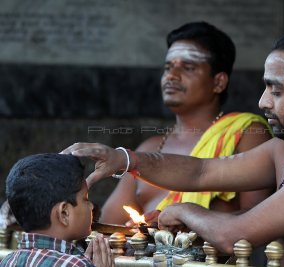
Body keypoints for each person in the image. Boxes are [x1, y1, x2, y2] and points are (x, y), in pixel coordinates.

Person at [62, 30, 284, 266]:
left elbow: (234, 237)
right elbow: (203, 171)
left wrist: (187, 211)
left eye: (276, 91)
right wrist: (124, 158)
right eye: (265, 88)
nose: (262, 102)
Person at [100, 21, 273, 226]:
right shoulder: (151, 147)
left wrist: (190, 221)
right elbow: (110, 222)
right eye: (168, 67)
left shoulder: (246, 133)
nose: (172, 76)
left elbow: (260, 219)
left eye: (188, 68)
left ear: (219, 82)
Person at [0, 153, 114, 267]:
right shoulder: (76, 264)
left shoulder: (8, 261)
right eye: (85, 199)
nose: (91, 206)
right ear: (64, 213)